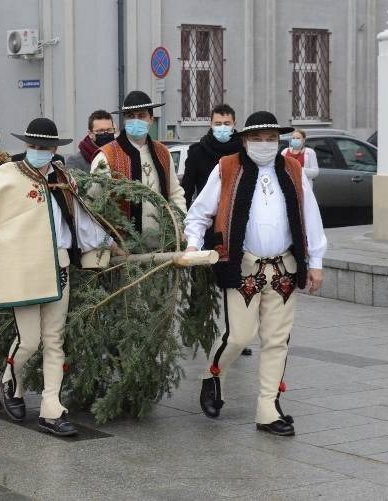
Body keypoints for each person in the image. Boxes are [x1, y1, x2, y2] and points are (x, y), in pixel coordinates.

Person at [184, 111, 326, 437]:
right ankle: (213, 375)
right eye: (258, 139)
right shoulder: (227, 168)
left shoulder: (293, 169)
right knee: (240, 336)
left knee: (277, 340)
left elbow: (310, 215)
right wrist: (193, 245)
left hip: (284, 267)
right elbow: (200, 213)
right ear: (245, 140)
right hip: (243, 266)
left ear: (278, 141)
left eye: (271, 139)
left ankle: (268, 409)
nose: (265, 145)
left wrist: (315, 261)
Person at [0, 117, 113, 437]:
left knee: (54, 341)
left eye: (46, 147)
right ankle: (11, 377)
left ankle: (51, 407)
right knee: (30, 339)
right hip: (23, 269)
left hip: (59, 267)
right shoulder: (8, 176)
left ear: (55, 149)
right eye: (34, 146)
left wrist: (106, 244)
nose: (39, 152)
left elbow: (78, 220)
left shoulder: (62, 177)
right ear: (26, 146)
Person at [179, 104, 252, 356]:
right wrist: (183, 223)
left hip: (235, 228)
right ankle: (194, 330)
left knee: (234, 281)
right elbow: (187, 189)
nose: (223, 127)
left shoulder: (243, 150)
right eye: (218, 123)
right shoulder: (198, 151)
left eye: (227, 123)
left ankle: (236, 334)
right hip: (206, 227)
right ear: (210, 124)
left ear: (234, 124)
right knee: (200, 284)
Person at [91, 90, 186, 233]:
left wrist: (179, 226)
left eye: (141, 116)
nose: (136, 120)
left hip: (164, 245)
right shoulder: (107, 156)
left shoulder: (163, 153)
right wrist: (110, 242)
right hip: (124, 247)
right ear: (124, 120)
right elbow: (94, 203)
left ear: (151, 119)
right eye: (130, 116)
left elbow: (175, 193)